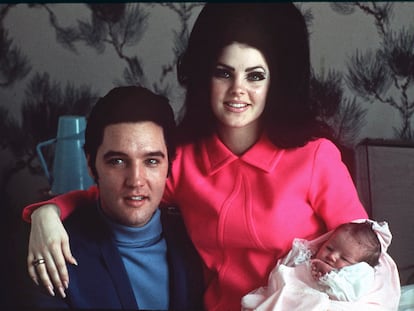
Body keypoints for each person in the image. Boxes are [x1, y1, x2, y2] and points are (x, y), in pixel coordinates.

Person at [22, 3, 400, 310]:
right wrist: (46, 213)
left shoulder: (316, 158)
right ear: (206, 77)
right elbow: (116, 191)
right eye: (224, 73)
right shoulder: (183, 160)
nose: (238, 90)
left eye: (254, 76)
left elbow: (365, 255)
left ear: (276, 82)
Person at [21, 86, 204, 310]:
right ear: (90, 165)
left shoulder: (196, 236)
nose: (136, 180)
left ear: (170, 165)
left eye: (152, 161)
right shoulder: (53, 250)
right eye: (117, 161)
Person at [241, 220, 396, 311]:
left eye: (344, 258)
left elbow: (347, 295)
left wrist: (329, 277)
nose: (332, 256)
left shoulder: (358, 277)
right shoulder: (309, 257)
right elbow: (291, 271)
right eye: (329, 248)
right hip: (294, 292)